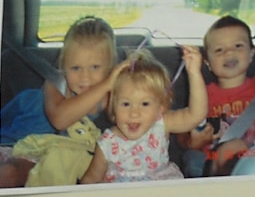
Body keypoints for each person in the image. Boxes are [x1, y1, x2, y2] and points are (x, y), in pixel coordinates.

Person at [0, 17, 123, 189]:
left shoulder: (110, 95)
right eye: (75, 68)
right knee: (7, 175)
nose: (85, 77)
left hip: (69, 157)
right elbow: (59, 119)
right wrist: (106, 85)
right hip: (30, 148)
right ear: (64, 66)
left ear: (109, 67)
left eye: (95, 67)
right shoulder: (56, 85)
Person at [80, 48, 207, 185]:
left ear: (161, 107)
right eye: (126, 104)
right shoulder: (107, 143)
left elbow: (196, 115)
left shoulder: (161, 124)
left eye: (145, 104)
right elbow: (91, 179)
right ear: (113, 106)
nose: (134, 113)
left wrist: (194, 73)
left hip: (159, 193)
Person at [183, 18, 255, 177]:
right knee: (197, 156)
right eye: (219, 50)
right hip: (215, 161)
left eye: (238, 46)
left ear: (251, 53)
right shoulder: (201, 94)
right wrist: (193, 141)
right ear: (207, 62)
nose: (229, 52)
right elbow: (184, 130)